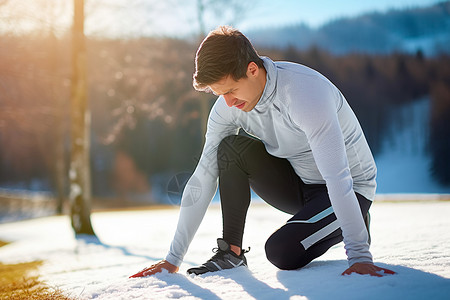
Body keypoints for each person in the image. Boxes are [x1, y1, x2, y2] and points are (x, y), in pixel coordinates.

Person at [130, 26, 395, 278]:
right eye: (219, 94)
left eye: (232, 90)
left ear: (253, 69)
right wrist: (172, 259)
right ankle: (230, 254)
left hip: (350, 188)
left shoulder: (305, 93)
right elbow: (204, 175)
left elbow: (338, 176)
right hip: (299, 185)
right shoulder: (229, 106)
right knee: (229, 149)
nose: (229, 103)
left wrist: (359, 256)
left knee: (281, 252)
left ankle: (356, 220)